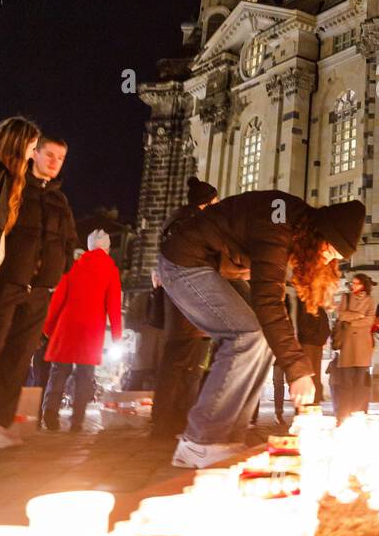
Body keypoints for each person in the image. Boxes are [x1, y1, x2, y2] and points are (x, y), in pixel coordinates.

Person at [158, 190, 365, 467]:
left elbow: (271, 300)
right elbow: (268, 301)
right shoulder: (278, 228)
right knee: (247, 334)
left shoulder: (291, 224)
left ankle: (226, 438)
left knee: (261, 337)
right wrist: (297, 368)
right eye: (328, 251)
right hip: (183, 261)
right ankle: (201, 441)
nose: (327, 261)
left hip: (212, 265)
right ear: (318, 233)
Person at [0, 133, 76, 449]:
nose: (56, 162)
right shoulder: (15, 187)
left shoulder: (60, 200)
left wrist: (59, 268)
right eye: (50, 155)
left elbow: (69, 240)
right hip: (9, 281)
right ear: (34, 155)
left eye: (61, 158)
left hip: (41, 288)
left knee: (18, 357)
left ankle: (0, 424)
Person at [150, 177, 219, 439]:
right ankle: (177, 424)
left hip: (179, 310)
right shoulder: (194, 226)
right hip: (192, 312)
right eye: (215, 202)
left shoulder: (175, 222)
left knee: (173, 367)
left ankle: (164, 422)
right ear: (205, 204)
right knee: (188, 370)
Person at [40, 230, 123, 432]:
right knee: (85, 376)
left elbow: (58, 300)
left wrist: (48, 328)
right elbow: (113, 305)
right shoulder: (110, 269)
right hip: (91, 330)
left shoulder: (75, 266)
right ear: (107, 247)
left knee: (59, 372)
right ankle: (77, 421)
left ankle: (50, 416)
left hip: (67, 327)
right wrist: (116, 335)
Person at [0, 117, 40, 274]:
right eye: (32, 149)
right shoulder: (1, 176)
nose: (33, 156)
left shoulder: (5, 178)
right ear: (19, 146)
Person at [333, 274, 375, 421]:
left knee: (361, 385)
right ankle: (343, 415)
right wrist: (359, 315)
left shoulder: (370, 300)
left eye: (357, 283)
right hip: (348, 345)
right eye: (353, 283)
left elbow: (370, 320)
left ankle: (360, 414)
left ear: (364, 285)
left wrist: (353, 321)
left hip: (363, 346)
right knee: (346, 384)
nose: (354, 286)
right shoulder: (346, 297)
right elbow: (341, 315)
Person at [296, 293, 331, 409]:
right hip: (309, 343)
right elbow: (303, 323)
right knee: (309, 374)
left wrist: (322, 337)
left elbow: (323, 321)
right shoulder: (304, 301)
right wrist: (318, 337)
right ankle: (308, 404)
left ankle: (314, 402)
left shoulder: (317, 302)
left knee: (315, 374)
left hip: (316, 343)